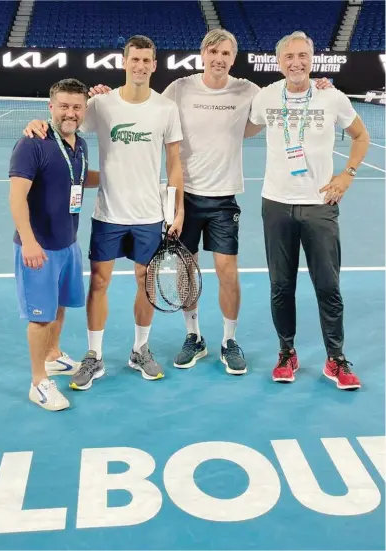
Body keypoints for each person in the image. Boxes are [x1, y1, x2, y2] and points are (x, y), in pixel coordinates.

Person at [86, 29, 334, 377]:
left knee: (227, 272)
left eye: (226, 53)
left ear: (234, 58)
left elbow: (285, 94)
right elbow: (146, 110)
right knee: (188, 272)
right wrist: (101, 94)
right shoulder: (179, 88)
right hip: (184, 197)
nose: (219, 58)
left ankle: (229, 340)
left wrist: (318, 84)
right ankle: (194, 336)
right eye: (214, 51)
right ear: (203, 54)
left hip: (223, 199)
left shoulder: (248, 91)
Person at [23, 35, 185, 390]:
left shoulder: (166, 109)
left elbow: (174, 162)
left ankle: (140, 349)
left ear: (154, 65)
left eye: (147, 60)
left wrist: (177, 208)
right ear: (124, 63)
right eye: (134, 60)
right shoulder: (101, 105)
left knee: (146, 283)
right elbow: (64, 123)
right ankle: (94, 356)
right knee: (99, 283)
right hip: (108, 212)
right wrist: (37, 122)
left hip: (148, 214)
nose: (140, 66)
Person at [246, 31, 369, 389]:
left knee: (328, 286)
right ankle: (287, 352)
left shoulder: (332, 97)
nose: (296, 63)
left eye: (302, 56)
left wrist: (347, 174)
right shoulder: (267, 97)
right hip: (277, 203)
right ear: (279, 61)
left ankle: (336, 359)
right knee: (281, 286)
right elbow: (243, 128)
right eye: (289, 57)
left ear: (312, 58)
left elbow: (361, 136)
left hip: (321, 204)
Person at [9, 78, 100, 411]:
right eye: (64, 105)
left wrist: (121, 176)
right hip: (39, 248)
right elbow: (17, 197)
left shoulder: (81, 145)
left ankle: (52, 356)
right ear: (51, 107)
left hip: (68, 244)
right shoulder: (32, 143)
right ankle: (38, 382)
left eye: (77, 107)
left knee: (60, 306)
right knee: (40, 317)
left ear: (84, 110)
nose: (70, 112)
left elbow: (80, 177)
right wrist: (30, 243)